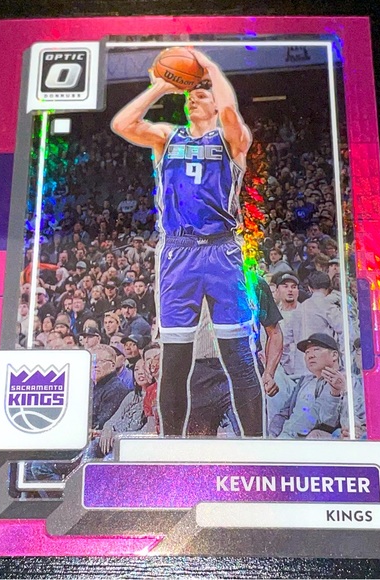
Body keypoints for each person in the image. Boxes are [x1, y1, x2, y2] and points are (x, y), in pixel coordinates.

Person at [111, 48, 264, 437]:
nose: (192, 99)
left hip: (222, 250)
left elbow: (230, 114)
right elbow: (122, 124)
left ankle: (257, 445)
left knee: (238, 356)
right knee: (175, 359)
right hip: (178, 252)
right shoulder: (167, 137)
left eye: (201, 94)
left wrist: (209, 67)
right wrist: (161, 87)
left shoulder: (232, 138)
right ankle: (170, 445)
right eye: (189, 95)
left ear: (215, 101)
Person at [270, 333, 345, 439]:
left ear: (334, 355)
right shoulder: (304, 381)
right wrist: (274, 435)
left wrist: (335, 393)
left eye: (316, 350)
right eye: (307, 352)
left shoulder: (348, 381)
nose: (310, 355)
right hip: (285, 439)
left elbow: (328, 421)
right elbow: (284, 413)